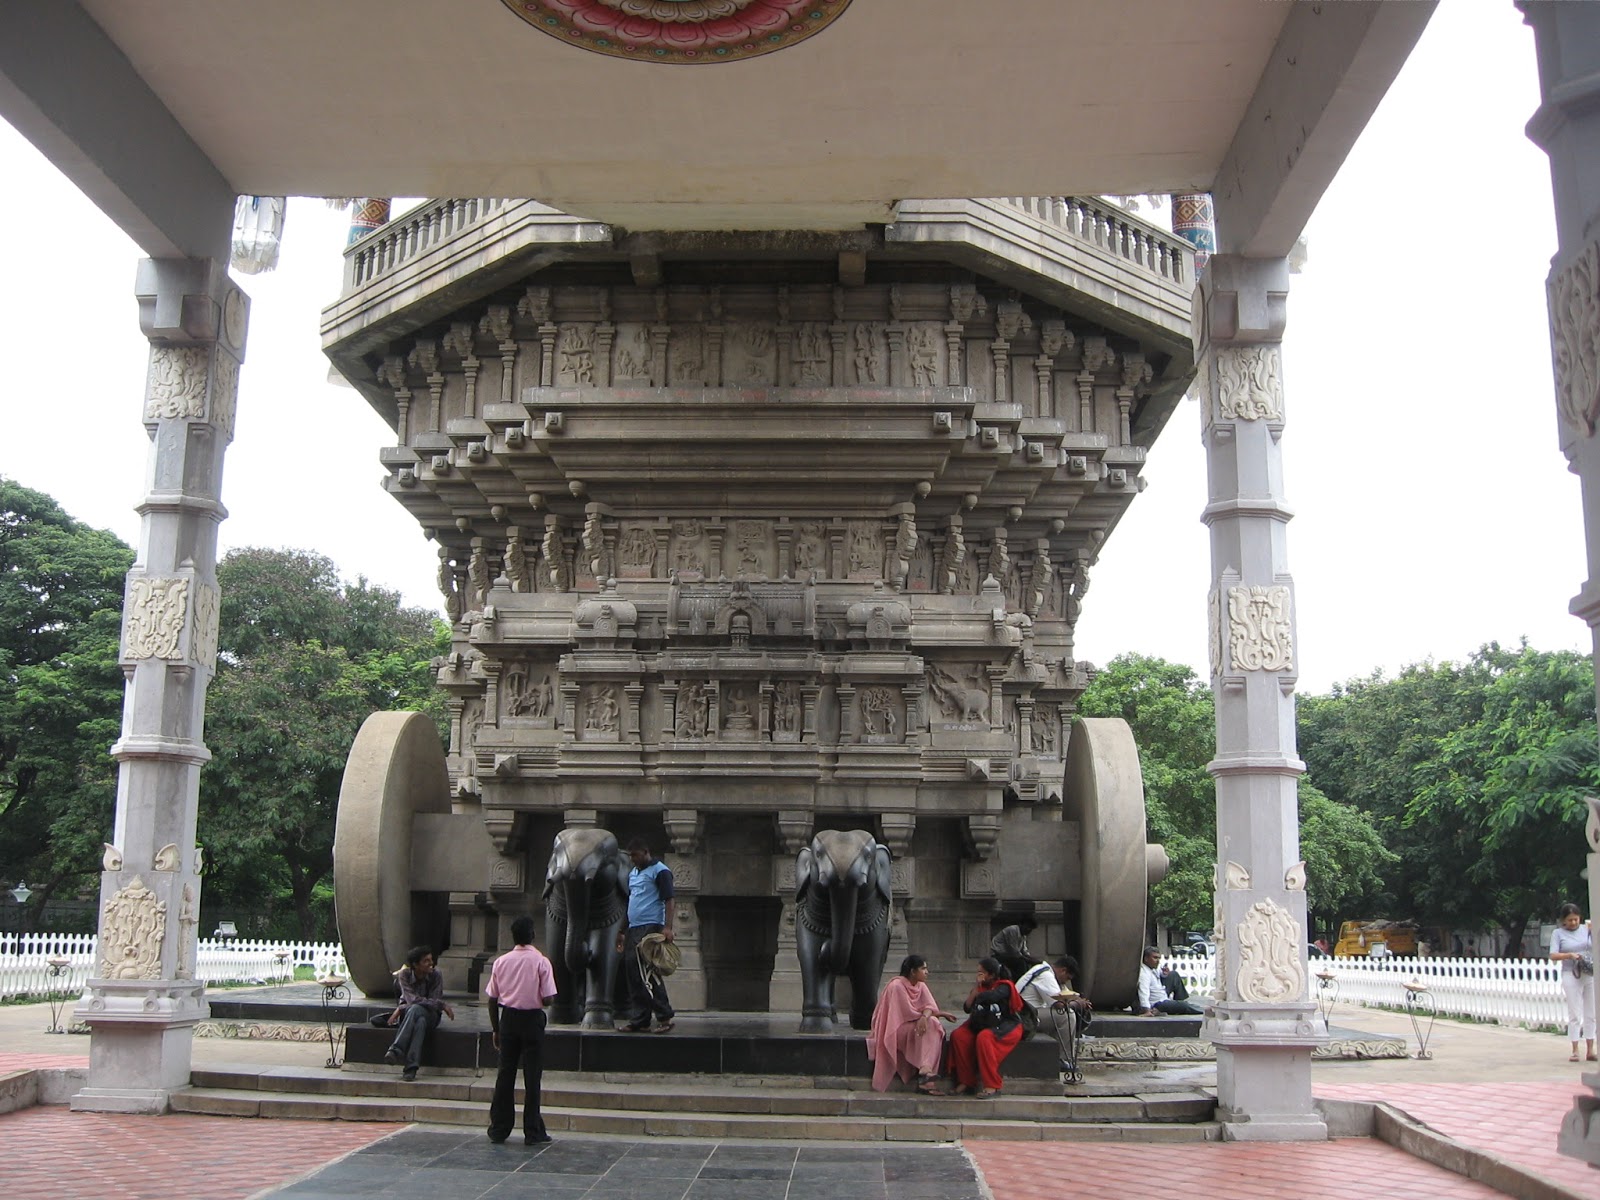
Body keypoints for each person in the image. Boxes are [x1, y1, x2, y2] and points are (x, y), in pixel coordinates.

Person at [486, 915, 558, 1145]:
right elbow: (548, 999)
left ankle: (499, 1127)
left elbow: (492, 998)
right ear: (533, 935)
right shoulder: (541, 961)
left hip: (507, 1019)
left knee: (505, 1074)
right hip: (532, 1020)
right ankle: (532, 1130)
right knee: (532, 1076)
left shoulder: (501, 961)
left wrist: (496, 1029)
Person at [867, 954, 960, 1093]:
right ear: (912, 971)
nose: (927, 972)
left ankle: (926, 1072)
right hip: (895, 1029)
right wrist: (927, 1015)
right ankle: (925, 1072)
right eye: (923, 969)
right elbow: (906, 1014)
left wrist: (926, 1016)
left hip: (914, 1025)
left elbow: (929, 1006)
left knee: (934, 1024)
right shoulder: (896, 986)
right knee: (930, 1022)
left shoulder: (921, 986)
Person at [616, 836, 676, 1033]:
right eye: (630, 855)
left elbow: (669, 900)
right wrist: (622, 931)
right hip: (634, 927)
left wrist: (667, 927)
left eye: (635, 855)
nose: (632, 859)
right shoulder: (634, 873)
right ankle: (640, 1018)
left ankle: (664, 1015)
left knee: (647, 972)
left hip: (650, 927)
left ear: (645, 852)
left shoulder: (660, 871)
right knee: (632, 972)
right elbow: (631, 902)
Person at [947, 957, 1024, 1097]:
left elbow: (992, 997)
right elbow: (967, 1008)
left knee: (984, 1038)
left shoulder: (1005, 986)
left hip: (1005, 1025)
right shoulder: (979, 988)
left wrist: (979, 992)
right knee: (959, 1036)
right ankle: (966, 1081)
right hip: (981, 1023)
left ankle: (992, 1085)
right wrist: (976, 990)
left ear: (992, 975)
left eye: (982, 973)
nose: (979, 976)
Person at [382, 945, 454, 1082]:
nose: (431, 964)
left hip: (431, 1016)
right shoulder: (404, 975)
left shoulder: (436, 975)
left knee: (415, 1009)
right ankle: (411, 1068)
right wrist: (442, 1005)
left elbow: (433, 1001)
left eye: (431, 960)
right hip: (411, 1014)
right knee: (419, 1021)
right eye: (426, 961)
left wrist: (403, 1008)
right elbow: (412, 999)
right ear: (415, 965)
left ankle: (396, 1050)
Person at [1015, 955, 1092, 1081]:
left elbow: (1066, 995)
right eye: (1067, 978)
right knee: (1067, 1015)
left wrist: (1079, 1000)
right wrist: (1078, 1004)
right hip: (1024, 1017)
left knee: (1064, 1014)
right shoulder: (1046, 975)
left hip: (1031, 1013)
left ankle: (1061, 1056)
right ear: (1063, 970)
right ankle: (1063, 1058)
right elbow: (1060, 1004)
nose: (1065, 982)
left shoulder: (1046, 971)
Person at [1551, 902, 1596, 1063]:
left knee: (1591, 1013)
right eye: (1570, 920)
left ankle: (1591, 1049)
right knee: (1575, 1013)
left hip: (1588, 973)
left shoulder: (1586, 929)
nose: (1573, 923)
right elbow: (1553, 955)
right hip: (1571, 973)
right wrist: (1569, 955)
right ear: (1564, 920)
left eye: (1576, 919)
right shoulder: (1558, 933)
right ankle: (1575, 1049)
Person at [1138, 947, 1203, 1016]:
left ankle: (1179, 1002)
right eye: (1155, 958)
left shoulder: (1153, 967)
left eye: (1159, 958)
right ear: (1146, 959)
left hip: (1163, 994)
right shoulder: (1144, 974)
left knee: (1173, 974)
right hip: (1157, 1004)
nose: (1158, 961)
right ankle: (1203, 1010)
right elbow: (1143, 992)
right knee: (1184, 1006)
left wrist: (1164, 973)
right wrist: (1147, 1010)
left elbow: (1160, 974)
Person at [989, 916, 1037, 982]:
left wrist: (1032, 959)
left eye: (1030, 929)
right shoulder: (1013, 930)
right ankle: (1018, 982)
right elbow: (1014, 951)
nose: (1028, 930)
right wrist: (1028, 960)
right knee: (1021, 963)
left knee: (1026, 964)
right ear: (1022, 924)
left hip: (1009, 956)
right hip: (998, 955)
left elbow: (1024, 951)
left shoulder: (1023, 936)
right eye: (1027, 927)